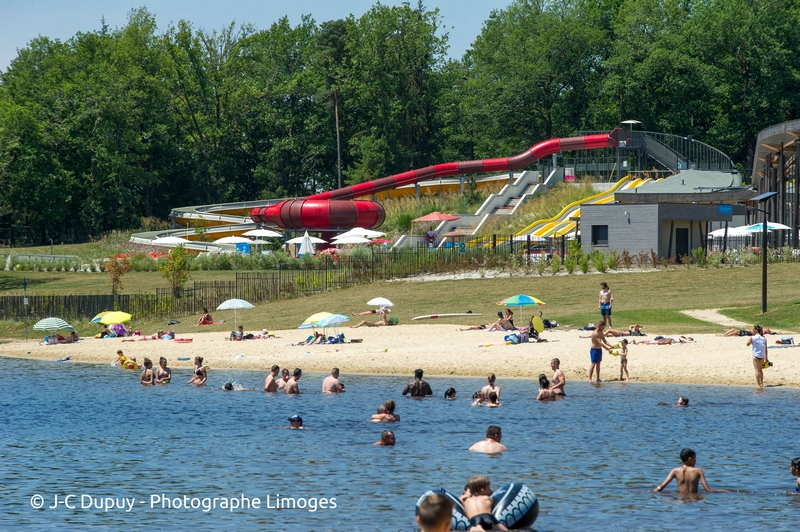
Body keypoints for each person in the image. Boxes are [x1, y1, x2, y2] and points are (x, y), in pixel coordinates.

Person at [654, 448, 728, 494]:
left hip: (681, 500)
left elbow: (661, 487)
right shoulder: (698, 471)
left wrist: (651, 493)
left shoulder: (675, 471)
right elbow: (708, 490)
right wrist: (722, 491)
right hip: (694, 500)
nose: (695, 461)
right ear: (690, 459)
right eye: (694, 458)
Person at [746, 324, 770, 389]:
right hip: (762, 355)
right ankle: (762, 383)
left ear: (756, 330)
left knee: (756, 370)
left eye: (754, 329)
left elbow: (747, 344)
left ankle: (759, 384)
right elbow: (766, 349)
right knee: (760, 370)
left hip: (755, 355)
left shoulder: (753, 337)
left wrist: (751, 342)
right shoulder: (764, 338)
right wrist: (766, 358)